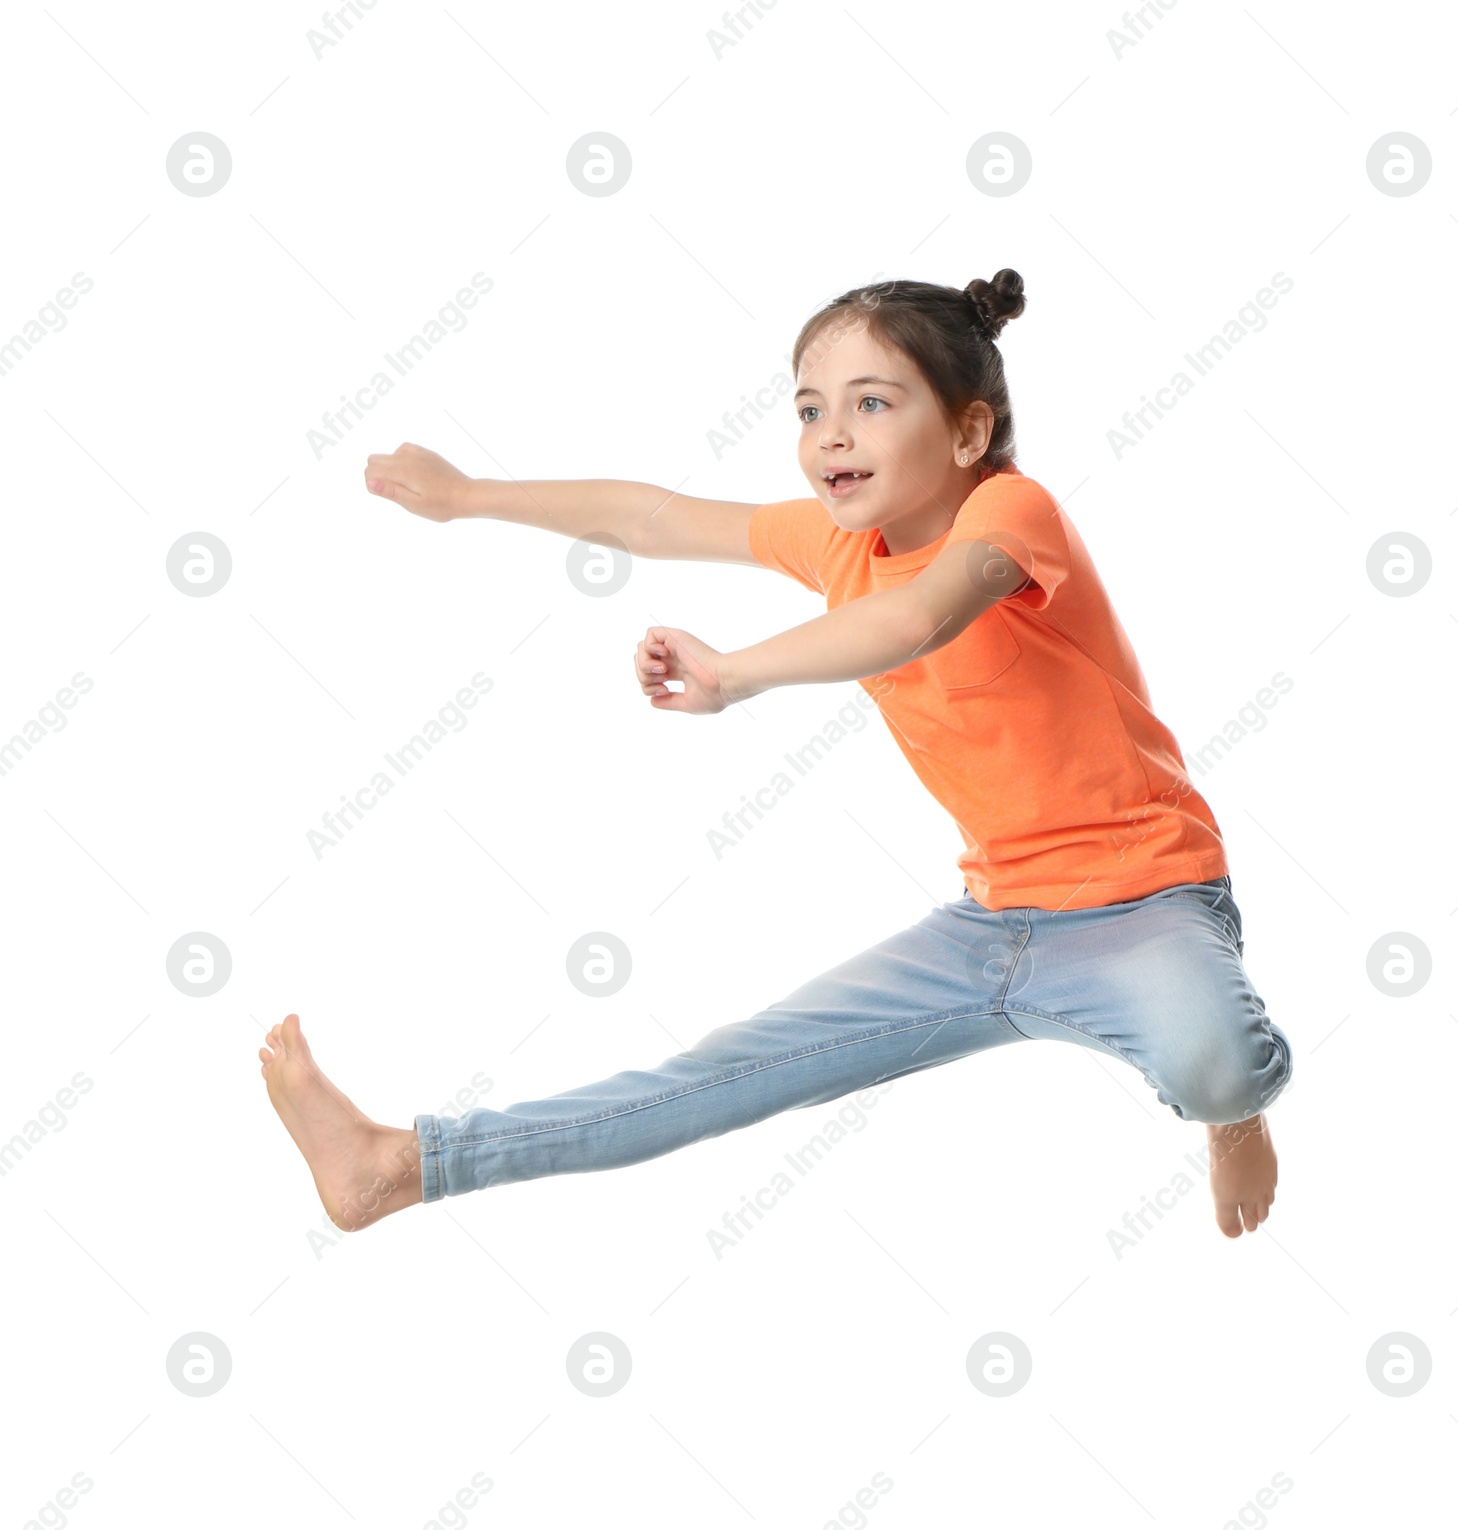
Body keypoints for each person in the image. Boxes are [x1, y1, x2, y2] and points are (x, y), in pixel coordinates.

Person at [261, 268, 1292, 1241]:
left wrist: (738, 671)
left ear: (970, 429)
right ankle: (399, 1166)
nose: (830, 435)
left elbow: (916, 620)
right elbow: (652, 516)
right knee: (721, 1074)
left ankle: (1235, 1119)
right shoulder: (837, 543)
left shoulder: (1009, 515)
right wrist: (470, 494)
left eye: (871, 404)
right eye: (809, 410)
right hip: (992, 925)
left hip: (1144, 905)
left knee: (1217, 1069)